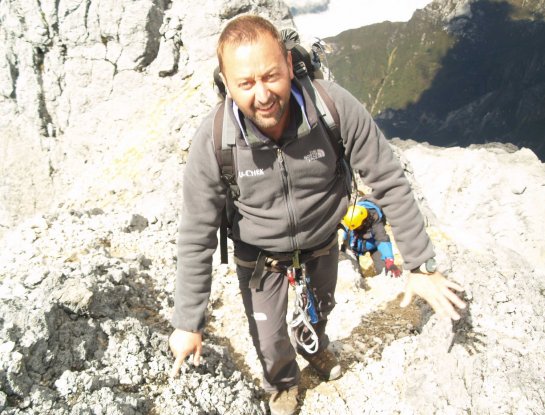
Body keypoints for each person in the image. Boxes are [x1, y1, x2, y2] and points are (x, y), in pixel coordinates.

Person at [169, 14, 466, 415]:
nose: (262, 94)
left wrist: (420, 264)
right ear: (226, 84)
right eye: (246, 83)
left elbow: (387, 178)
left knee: (321, 308)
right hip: (259, 257)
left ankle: (315, 347)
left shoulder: (330, 105)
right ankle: (283, 381)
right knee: (269, 340)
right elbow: (196, 232)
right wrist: (188, 322)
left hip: (324, 241)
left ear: (290, 65)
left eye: (271, 75)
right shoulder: (215, 139)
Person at [340, 198, 402, 277]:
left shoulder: (375, 220)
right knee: (352, 274)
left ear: (363, 221)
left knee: (383, 271)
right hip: (354, 247)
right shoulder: (351, 219)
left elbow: (382, 239)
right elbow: (346, 242)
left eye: (357, 227)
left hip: (374, 246)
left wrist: (389, 261)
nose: (355, 229)